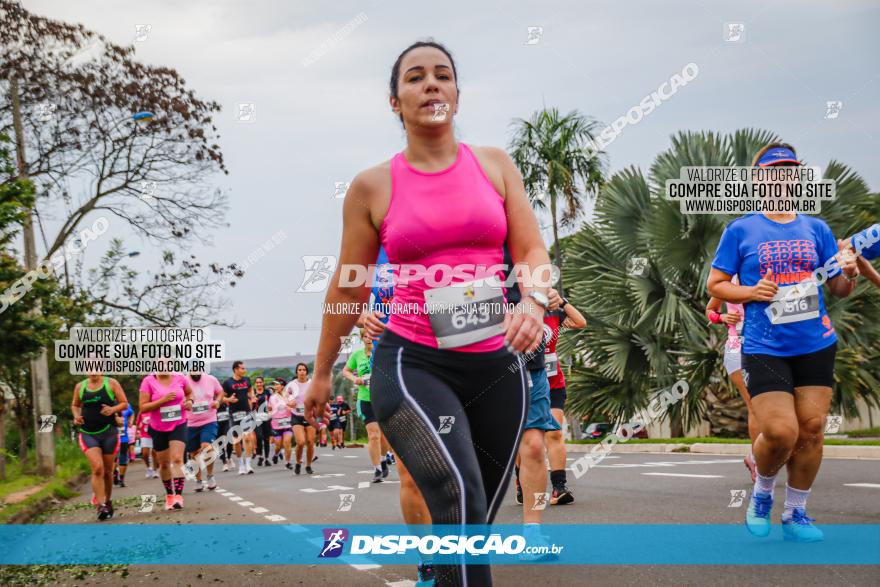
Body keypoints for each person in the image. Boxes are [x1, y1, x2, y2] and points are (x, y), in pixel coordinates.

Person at [305, 40, 549, 586]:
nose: (431, 84)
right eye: (415, 77)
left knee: (470, 525)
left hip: (496, 363)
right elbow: (350, 282)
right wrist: (322, 372)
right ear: (395, 101)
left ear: (458, 95)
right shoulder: (373, 186)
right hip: (413, 363)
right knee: (456, 494)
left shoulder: (495, 166)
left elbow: (532, 251)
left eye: (443, 75)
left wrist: (532, 300)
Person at [707, 142, 859, 543]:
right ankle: (761, 495)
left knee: (810, 429)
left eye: (789, 171)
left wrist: (849, 272)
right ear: (760, 180)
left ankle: (796, 513)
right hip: (764, 347)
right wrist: (751, 292)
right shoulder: (740, 230)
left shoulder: (816, 229)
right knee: (780, 431)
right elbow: (716, 285)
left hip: (815, 343)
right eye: (774, 172)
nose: (783, 178)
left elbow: (840, 289)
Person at [706, 275, 757, 481]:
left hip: (771, 348)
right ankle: (757, 459)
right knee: (755, 405)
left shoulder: (765, 270)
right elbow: (710, 310)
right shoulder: (728, 279)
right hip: (738, 349)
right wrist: (723, 318)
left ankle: (759, 454)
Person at [542, 288, 586, 505]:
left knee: (554, 433)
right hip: (522, 383)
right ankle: (522, 481)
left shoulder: (553, 312)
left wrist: (562, 301)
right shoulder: (514, 307)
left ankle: (559, 487)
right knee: (527, 440)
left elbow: (580, 322)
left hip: (552, 383)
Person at [71, 372, 129, 520]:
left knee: (108, 471)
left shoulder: (111, 383)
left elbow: (124, 403)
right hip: (88, 432)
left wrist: (113, 410)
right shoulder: (80, 386)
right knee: (97, 468)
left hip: (109, 432)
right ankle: (101, 504)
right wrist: (76, 416)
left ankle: (108, 501)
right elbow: (75, 405)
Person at [139, 369, 193, 510]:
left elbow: (189, 393)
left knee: (177, 459)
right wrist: (162, 400)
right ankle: (169, 495)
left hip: (179, 423)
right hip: (158, 427)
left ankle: (178, 497)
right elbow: (143, 407)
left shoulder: (180, 378)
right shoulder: (148, 381)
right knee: (163, 464)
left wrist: (190, 401)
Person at [344, 329, 391, 482]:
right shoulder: (357, 355)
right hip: (365, 400)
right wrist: (354, 379)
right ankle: (377, 469)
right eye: (365, 336)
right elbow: (346, 371)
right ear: (362, 338)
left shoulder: (383, 352)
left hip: (383, 398)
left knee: (384, 436)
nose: (369, 338)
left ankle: (383, 459)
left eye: (372, 336)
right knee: (374, 435)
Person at [184, 370, 224, 491]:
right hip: (190, 423)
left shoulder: (211, 379)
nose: (195, 372)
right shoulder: (184, 381)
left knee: (208, 447)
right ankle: (199, 480)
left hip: (209, 421)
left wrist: (217, 401)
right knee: (194, 454)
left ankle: (210, 476)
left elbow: (220, 392)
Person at [222, 360, 255, 475]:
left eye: (244, 368)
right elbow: (221, 398)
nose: (244, 370)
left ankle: (248, 464)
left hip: (246, 412)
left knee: (247, 438)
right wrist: (229, 400)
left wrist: (252, 397)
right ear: (235, 369)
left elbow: (250, 390)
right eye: (242, 368)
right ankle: (241, 464)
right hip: (234, 414)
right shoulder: (227, 383)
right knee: (237, 441)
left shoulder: (247, 380)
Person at [286, 363, 317, 475]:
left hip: (310, 416)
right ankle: (298, 462)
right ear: (296, 372)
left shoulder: (312, 384)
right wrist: (290, 403)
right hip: (296, 417)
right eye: (299, 370)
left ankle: (308, 465)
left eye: (304, 370)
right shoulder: (292, 385)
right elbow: (287, 400)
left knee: (310, 441)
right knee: (300, 442)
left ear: (306, 372)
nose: (302, 372)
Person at [267, 378, 294, 468]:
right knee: (278, 446)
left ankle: (288, 462)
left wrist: (291, 407)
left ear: (282, 386)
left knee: (287, 443)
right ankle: (276, 455)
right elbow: (269, 409)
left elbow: (294, 407)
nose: (275, 386)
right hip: (276, 425)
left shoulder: (289, 396)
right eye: (274, 385)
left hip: (288, 423)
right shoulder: (272, 397)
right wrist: (269, 413)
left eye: (277, 384)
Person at [252, 376, 273, 466]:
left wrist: (271, 407)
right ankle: (260, 456)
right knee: (259, 437)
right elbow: (250, 407)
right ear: (255, 384)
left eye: (260, 382)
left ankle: (266, 458)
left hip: (267, 418)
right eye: (257, 382)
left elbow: (272, 403)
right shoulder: (253, 393)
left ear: (263, 383)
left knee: (266, 438)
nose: (259, 384)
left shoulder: (267, 393)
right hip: (257, 418)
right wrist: (253, 402)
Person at [113, 403, 135, 488]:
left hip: (123, 438)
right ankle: (115, 474)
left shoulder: (126, 405)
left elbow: (132, 413)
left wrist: (130, 421)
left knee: (123, 457)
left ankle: (121, 480)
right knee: (113, 459)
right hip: (111, 438)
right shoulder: (107, 404)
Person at [135, 412, 157, 478]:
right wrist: (137, 432)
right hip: (145, 435)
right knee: (145, 454)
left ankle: (155, 471)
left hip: (155, 434)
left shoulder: (155, 408)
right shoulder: (142, 411)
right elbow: (137, 424)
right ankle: (148, 468)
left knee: (155, 453)